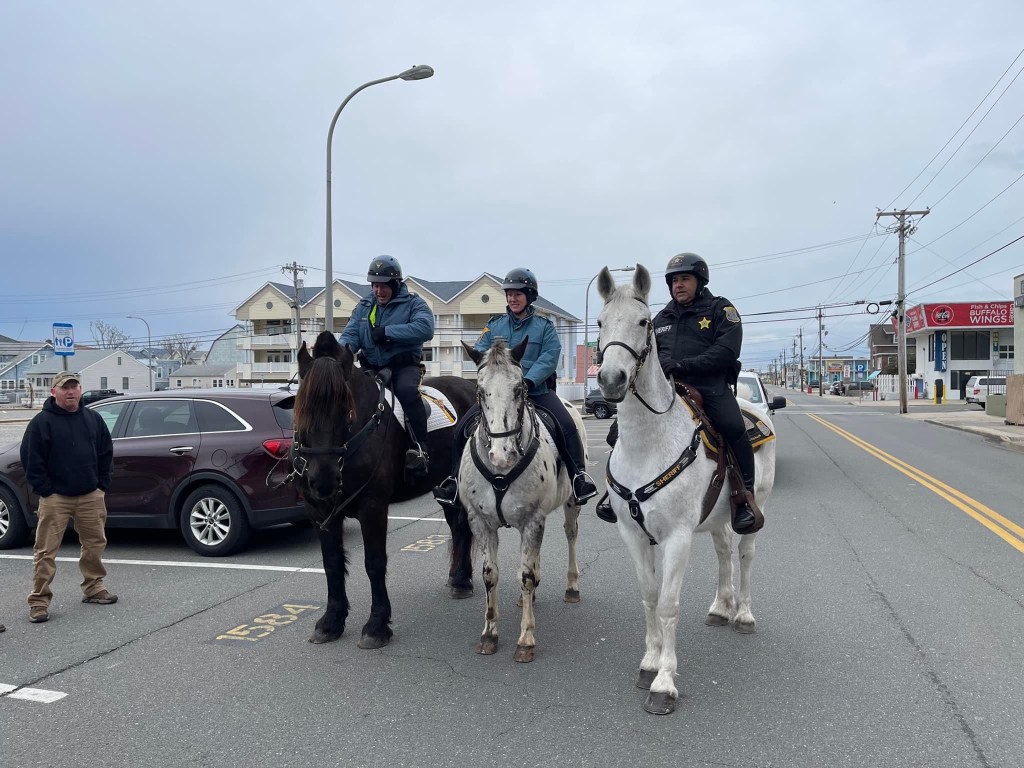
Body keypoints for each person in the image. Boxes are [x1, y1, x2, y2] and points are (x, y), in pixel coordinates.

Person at [596, 253, 762, 535]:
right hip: (668, 389)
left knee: (734, 428)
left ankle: (743, 498)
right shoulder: (661, 317)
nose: (678, 285)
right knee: (618, 431)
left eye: (685, 278)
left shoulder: (720, 310)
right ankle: (617, 494)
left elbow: (726, 351)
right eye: (674, 280)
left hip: (709, 387)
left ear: (700, 281)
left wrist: (685, 365)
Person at [433, 268, 598, 508]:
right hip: (500, 395)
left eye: (518, 294)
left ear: (530, 296)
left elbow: (550, 357)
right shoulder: (494, 325)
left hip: (536, 391)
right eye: (509, 294)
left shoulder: (545, 327)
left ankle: (578, 477)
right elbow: (482, 350)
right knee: (461, 429)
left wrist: (527, 380)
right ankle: (454, 480)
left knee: (567, 425)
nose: (512, 298)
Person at [21, 371, 117, 624]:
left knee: (95, 544)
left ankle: (94, 587)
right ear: (54, 391)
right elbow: (31, 460)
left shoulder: (93, 419)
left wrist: (101, 485)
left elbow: (106, 453)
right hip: (56, 499)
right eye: (65, 388)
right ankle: (39, 601)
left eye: (74, 387)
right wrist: (46, 490)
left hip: (90, 495)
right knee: (45, 551)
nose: (71, 392)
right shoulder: (42, 422)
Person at [340, 255, 435, 472]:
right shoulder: (364, 307)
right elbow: (351, 334)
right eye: (375, 286)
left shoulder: (414, 303)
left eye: (384, 286)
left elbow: (426, 328)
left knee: (407, 392)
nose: (378, 291)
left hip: (403, 367)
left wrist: (388, 333)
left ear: (395, 284)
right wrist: (339, 355)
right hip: (371, 368)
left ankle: (420, 448)